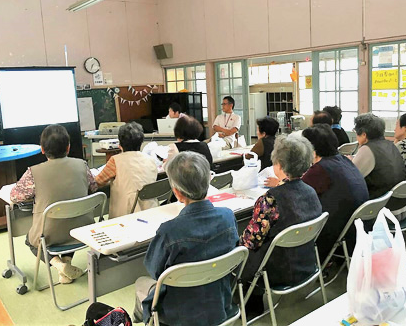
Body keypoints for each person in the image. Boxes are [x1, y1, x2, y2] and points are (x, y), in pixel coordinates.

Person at [133, 152, 238, 326]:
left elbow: (156, 272)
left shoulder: (169, 231)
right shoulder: (228, 217)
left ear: (177, 193)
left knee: (141, 284)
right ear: (209, 181)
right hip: (220, 303)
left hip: (178, 314)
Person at [240, 135, 322, 310]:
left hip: (275, 270)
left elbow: (249, 242)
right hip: (306, 261)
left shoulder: (270, 200)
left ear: (279, 165)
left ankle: (250, 304)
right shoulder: (311, 191)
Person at [10, 125, 97, 284]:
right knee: (69, 226)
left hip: (50, 234)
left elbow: (15, 196)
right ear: (68, 147)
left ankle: (58, 265)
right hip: (82, 229)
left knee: (31, 241)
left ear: (42, 149)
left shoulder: (33, 172)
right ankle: (67, 266)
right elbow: (94, 187)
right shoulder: (82, 165)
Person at [301, 124, 369, 261]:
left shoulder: (320, 170)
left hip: (333, 234)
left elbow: (296, 191)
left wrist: (281, 182)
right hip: (357, 231)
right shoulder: (343, 160)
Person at [96, 122, 157, 218]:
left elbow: (98, 182)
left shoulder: (116, 161)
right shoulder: (150, 160)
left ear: (120, 144)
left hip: (125, 215)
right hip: (151, 211)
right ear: (141, 142)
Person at [352, 113, 406, 201]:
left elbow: (351, 178)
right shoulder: (390, 145)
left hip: (379, 206)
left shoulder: (367, 149)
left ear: (364, 135)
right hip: (399, 202)